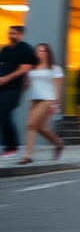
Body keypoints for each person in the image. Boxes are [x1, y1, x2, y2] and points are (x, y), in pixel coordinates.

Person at [21, 43, 65, 163]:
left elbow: (58, 86)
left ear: (48, 53)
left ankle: (28, 155)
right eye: (38, 51)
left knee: (30, 125)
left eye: (43, 51)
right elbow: (28, 84)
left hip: (48, 99)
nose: (40, 53)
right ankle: (58, 143)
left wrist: (56, 102)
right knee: (39, 127)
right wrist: (26, 84)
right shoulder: (33, 68)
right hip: (34, 99)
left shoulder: (55, 68)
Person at [0, 24, 38, 158]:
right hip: (2, 87)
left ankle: (12, 146)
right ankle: (7, 145)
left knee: (4, 114)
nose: (11, 36)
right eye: (10, 33)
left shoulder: (25, 49)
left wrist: (6, 78)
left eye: (14, 33)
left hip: (14, 88)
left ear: (21, 35)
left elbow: (24, 68)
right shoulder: (5, 49)